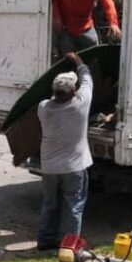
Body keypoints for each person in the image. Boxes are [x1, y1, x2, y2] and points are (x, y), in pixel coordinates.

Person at [35, 51, 93, 251]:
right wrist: (76, 59)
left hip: (49, 168)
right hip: (74, 167)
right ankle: (68, 246)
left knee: (49, 204)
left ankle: (45, 240)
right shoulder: (80, 104)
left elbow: (55, 97)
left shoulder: (43, 107)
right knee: (74, 206)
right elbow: (87, 78)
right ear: (74, 91)